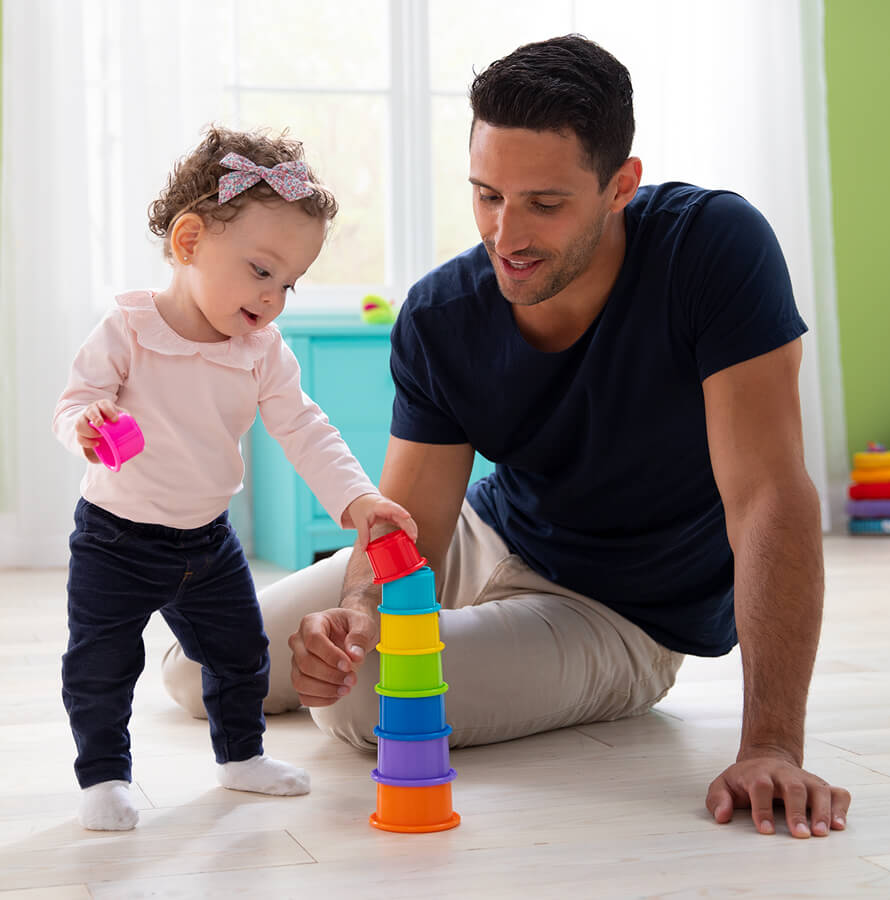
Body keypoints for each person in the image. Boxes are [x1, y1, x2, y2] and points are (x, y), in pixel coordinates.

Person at [162, 36, 851, 840]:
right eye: (487, 195)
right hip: (490, 533)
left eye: (544, 204)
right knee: (196, 664)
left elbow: (770, 493)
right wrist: (355, 610)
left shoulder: (714, 250)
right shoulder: (441, 314)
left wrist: (771, 744)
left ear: (620, 185)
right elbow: (410, 525)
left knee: (361, 700)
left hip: (619, 611)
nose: (506, 234)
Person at [52, 126, 417, 832]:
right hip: (115, 540)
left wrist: (357, 496)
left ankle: (240, 756)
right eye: (260, 270)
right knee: (99, 665)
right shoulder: (128, 329)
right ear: (189, 242)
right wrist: (88, 426)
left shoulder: (260, 351)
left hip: (207, 542)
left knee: (242, 654)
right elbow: (72, 406)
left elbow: (305, 428)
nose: (275, 296)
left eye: (289, 282)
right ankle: (103, 776)